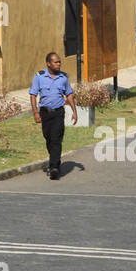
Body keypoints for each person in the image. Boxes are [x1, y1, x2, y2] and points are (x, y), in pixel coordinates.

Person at [29, 52, 77, 180]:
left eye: (59, 62)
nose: (59, 64)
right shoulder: (39, 76)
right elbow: (33, 95)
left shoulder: (63, 77)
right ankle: (55, 159)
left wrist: (74, 111)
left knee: (56, 138)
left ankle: (54, 167)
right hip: (45, 112)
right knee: (48, 138)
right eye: (56, 62)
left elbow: (69, 94)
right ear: (48, 64)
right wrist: (35, 113)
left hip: (58, 113)